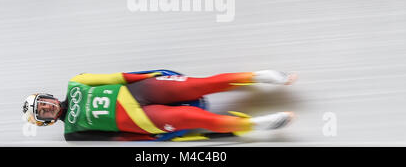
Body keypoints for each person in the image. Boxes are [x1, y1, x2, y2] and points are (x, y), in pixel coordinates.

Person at [22, 70, 297, 141]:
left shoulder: (76, 83)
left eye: (44, 102)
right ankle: (258, 124)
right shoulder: (72, 134)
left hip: (141, 89)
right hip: (141, 119)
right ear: (46, 121)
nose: (48, 107)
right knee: (193, 117)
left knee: (200, 84)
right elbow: (114, 138)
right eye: (43, 111)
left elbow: (116, 78)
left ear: (48, 96)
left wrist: (151, 75)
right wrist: (150, 138)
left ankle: (258, 76)